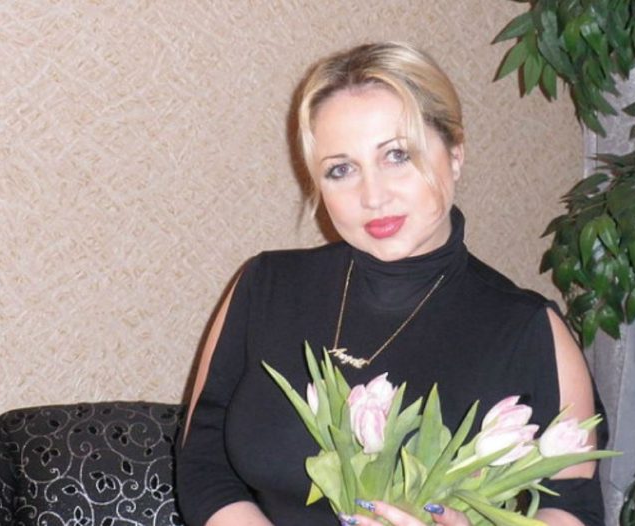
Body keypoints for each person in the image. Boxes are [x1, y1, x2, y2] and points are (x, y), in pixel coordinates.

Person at [176, 42, 605, 526]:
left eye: (397, 155)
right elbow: (203, 462)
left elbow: (573, 509)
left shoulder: (530, 329)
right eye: (341, 169)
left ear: (456, 154)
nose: (373, 196)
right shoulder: (264, 287)